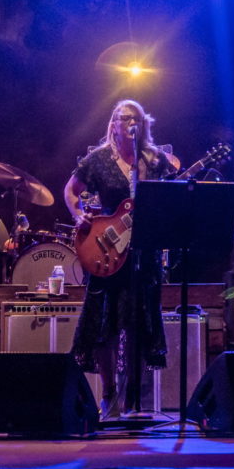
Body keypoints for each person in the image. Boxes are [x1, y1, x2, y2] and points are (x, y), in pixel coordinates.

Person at [63, 100, 174, 418]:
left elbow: (165, 200)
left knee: (139, 323)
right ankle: (108, 394)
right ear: (112, 124)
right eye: (124, 118)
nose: (129, 123)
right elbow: (71, 190)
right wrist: (78, 214)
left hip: (144, 253)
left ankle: (133, 398)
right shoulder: (97, 160)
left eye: (135, 119)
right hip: (107, 250)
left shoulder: (154, 161)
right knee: (105, 324)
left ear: (144, 124)